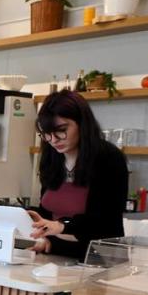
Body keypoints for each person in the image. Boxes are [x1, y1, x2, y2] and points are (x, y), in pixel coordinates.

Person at [28, 89, 128, 259]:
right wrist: (41, 229)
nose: (53, 140)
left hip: (101, 259)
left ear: (82, 123)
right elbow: (47, 212)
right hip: (61, 255)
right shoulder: (52, 157)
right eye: (46, 133)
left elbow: (104, 223)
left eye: (61, 130)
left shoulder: (108, 158)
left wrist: (61, 226)